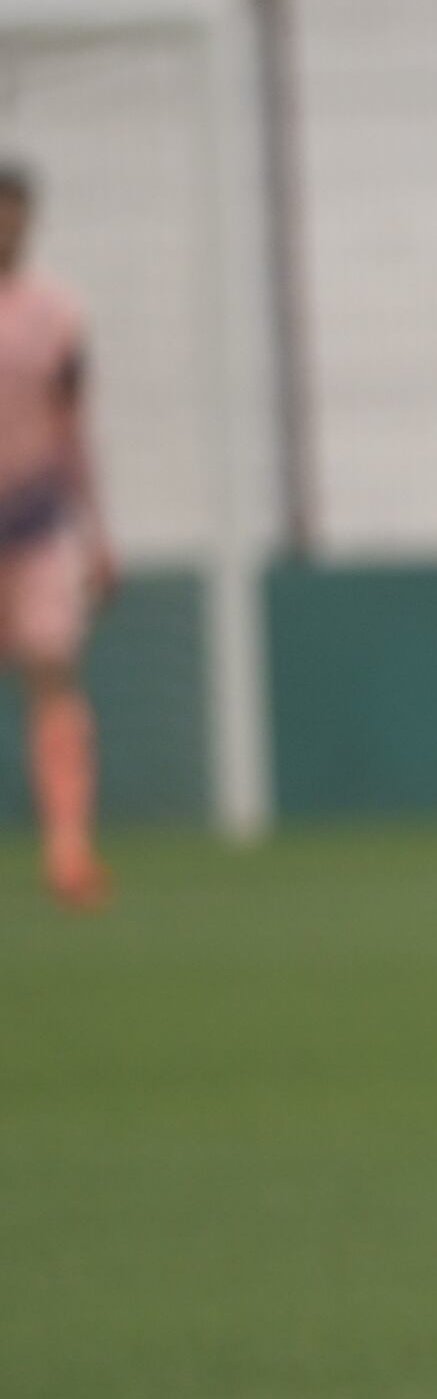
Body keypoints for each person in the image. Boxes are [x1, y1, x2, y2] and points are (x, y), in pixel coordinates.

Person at [0, 161, 115, 911]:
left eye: (14, 213)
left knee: (52, 671)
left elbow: (73, 428)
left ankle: (68, 847)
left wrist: (99, 532)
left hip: (33, 518)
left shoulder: (56, 311)